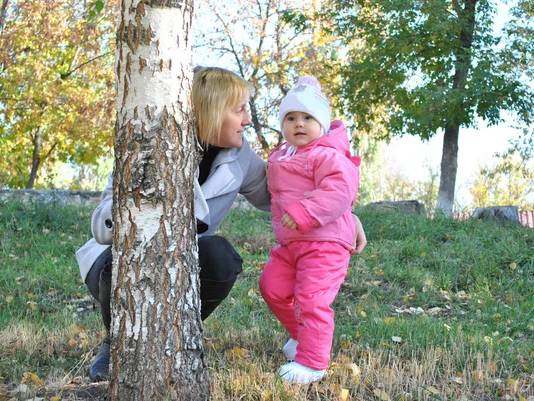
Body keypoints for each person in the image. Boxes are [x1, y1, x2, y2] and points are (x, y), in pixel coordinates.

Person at [75, 67, 367, 382]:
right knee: (127, 254)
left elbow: (287, 195)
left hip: (180, 262)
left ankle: (173, 337)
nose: (248, 119)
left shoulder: (241, 157)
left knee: (221, 256)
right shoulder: (151, 146)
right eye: (239, 109)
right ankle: (117, 343)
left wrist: (345, 217)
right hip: (117, 260)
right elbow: (103, 226)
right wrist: (138, 201)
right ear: (212, 110)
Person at [259, 75, 362, 385]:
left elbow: (341, 189)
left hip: (325, 243)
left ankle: (314, 362)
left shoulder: (327, 154)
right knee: (272, 287)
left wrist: (305, 211)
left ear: (322, 123)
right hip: (292, 244)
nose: (299, 123)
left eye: (307, 117)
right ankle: (302, 338)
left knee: (312, 299)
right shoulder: (282, 155)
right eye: (291, 118)